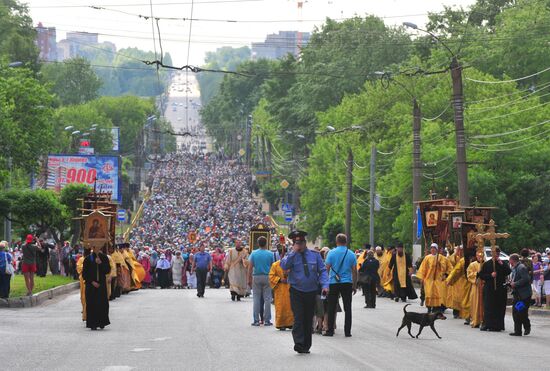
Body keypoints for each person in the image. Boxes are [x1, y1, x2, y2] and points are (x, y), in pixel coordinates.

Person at [280, 230, 328, 354]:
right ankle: (299, 343)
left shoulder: (315, 255)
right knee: (299, 317)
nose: (299, 244)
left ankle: (306, 345)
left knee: (308, 319)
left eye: (300, 242)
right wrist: (293, 252)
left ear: (305, 242)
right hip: (296, 291)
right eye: (296, 242)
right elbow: (284, 266)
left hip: (311, 291)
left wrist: (325, 285)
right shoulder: (291, 255)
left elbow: (322, 271)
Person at [324, 233, 357, 338]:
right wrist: (354, 284)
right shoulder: (351, 254)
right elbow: (354, 271)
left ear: (336, 241)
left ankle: (329, 330)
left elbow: (327, 269)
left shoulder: (331, 253)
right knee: (348, 307)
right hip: (347, 283)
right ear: (346, 242)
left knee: (331, 307)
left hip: (333, 283)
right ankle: (347, 331)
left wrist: (325, 284)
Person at [478, 247, 511, 332]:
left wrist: (502, 264)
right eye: (496, 253)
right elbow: (481, 275)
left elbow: (508, 271)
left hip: (500, 289)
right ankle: (488, 324)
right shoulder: (487, 264)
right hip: (490, 288)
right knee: (489, 307)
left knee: (499, 307)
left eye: (498, 253)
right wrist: (490, 275)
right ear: (492, 254)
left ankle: (498, 325)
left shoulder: (502, 263)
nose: (497, 254)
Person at [415, 243, 452, 313]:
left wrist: (446, 275)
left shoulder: (442, 258)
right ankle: (429, 307)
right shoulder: (427, 258)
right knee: (429, 294)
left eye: (434, 248)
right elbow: (423, 269)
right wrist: (422, 278)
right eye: (431, 248)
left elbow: (449, 268)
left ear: (437, 249)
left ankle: (436, 308)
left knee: (438, 294)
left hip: (439, 280)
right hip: (429, 280)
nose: (432, 249)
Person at [82, 246, 111, 330]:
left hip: (101, 284)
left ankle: (102, 322)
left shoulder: (104, 257)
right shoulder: (88, 259)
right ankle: (92, 324)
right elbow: (84, 274)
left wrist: (100, 263)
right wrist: (92, 282)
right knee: (92, 304)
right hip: (91, 285)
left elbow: (107, 270)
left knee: (102, 303)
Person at [248, 236, 275, 326]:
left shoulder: (254, 253)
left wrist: (249, 279)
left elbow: (250, 267)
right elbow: (273, 267)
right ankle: (267, 320)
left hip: (256, 276)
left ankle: (256, 320)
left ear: (258, 243)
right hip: (267, 277)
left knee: (256, 299)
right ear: (266, 243)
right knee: (267, 299)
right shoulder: (270, 254)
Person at [269, 247, 294, 331]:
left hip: (289, 287)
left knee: (290, 306)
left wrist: (289, 275)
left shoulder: (291, 265)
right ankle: (281, 323)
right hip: (280, 288)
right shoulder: (275, 265)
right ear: (280, 255)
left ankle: (290, 323)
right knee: (281, 306)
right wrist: (280, 279)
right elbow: (271, 276)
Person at [509, 253, 532, 336]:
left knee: (521, 312)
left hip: (524, 295)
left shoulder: (521, 267)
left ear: (512, 260)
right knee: (516, 312)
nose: (509, 263)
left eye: (510, 261)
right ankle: (517, 331)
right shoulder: (515, 268)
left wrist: (515, 284)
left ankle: (527, 327)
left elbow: (526, 279)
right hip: (518, 294)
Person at [446, 246, 471, 323]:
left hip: (467, 281)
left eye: (462, 250)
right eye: (459, 250)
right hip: (458, 281)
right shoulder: (457, 258)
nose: (460, 252)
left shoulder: (465, 260)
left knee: (467, 299)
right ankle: (457, 312)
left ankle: (468, 315)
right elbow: (454, 268)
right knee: (458, 297)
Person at [467, 250, 484, 328]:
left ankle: (483, 321)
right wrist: (476, 274)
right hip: (476, 287)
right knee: (475, 303)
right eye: (478, 256)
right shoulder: (472, 265)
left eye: (481, 256)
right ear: (476, 256)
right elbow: (469, 275)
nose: (480, 258)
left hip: (484, 287)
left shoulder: (486, 264)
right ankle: (475, 320)